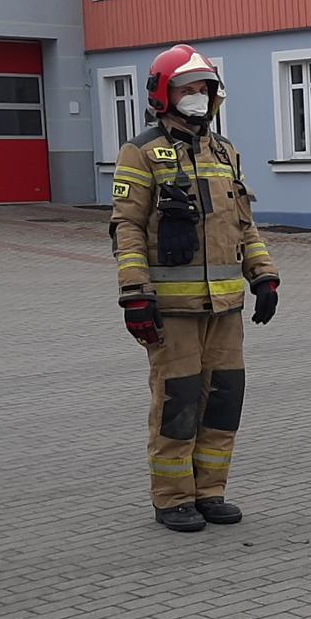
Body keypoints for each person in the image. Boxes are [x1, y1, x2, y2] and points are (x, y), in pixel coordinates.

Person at [111, 44, 279, 532]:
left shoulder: (225, 152)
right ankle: (172, 497)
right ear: (165, 94)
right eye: (188, 89)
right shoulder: (140, 152)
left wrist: (264, 276)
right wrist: (134, 294)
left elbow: (244, 226)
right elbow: (127, 228)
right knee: (177, 403)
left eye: (205, 88)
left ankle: (210, 491)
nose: (198, 97)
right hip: (173, 310)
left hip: (225, 309)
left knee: (224, 401)